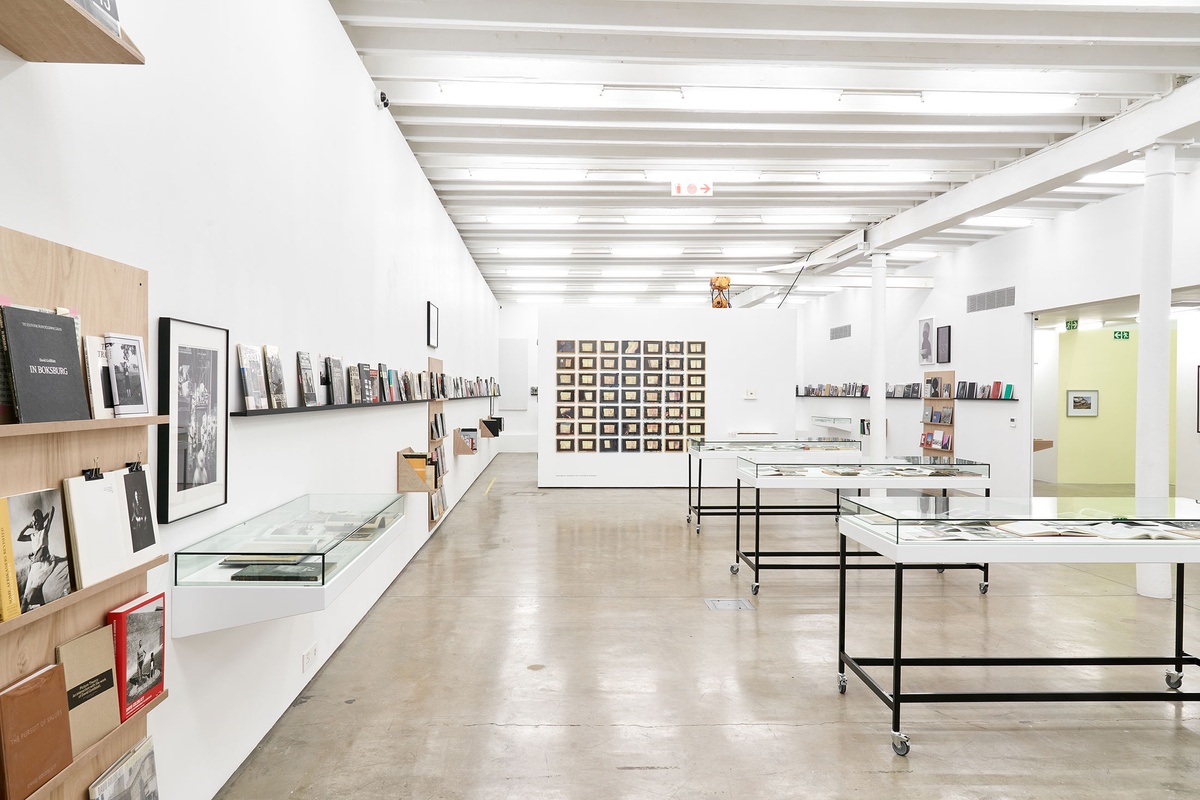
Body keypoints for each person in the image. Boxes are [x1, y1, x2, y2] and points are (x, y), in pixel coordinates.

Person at [16, 505, 64, 610]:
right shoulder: (32, 536)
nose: (34, 524)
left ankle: (40, 607)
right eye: (33, 522)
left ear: (41, 521)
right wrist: (27, 526)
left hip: (43, 565)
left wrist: (43, 519)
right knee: (24, 601)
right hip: (34, 568)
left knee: (30, 597)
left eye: (36, 521)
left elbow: (52, 509)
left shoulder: (44, 531)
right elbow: (19, 538)